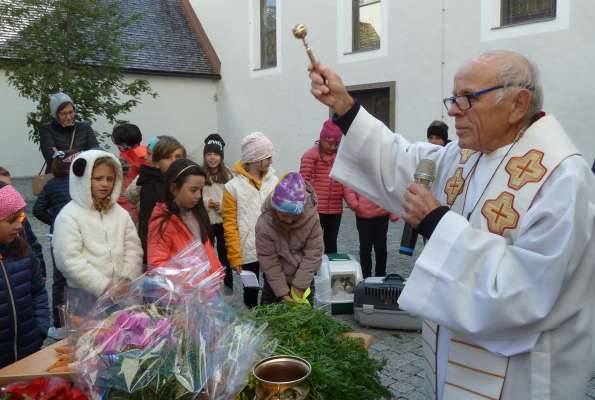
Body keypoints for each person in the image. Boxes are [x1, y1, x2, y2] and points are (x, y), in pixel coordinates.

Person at [308, 50, 595, 399]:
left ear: (518, 104)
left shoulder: (562, 179)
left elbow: (524, 292)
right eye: (453, 98)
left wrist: (436, 222)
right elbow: (401, 159)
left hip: (519, 376)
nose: (452, 110)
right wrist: (346, 106)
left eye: (467, 99)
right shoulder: (468, 153)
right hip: (448, 362)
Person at [53, 150, 143, 304]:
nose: (105, 184)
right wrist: (103, 286)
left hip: (123, 291)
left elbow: (133, 248)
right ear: (83, 178)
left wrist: (127, 278)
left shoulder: (120, 213)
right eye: (98, 178)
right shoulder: (69, 215)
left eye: (110, 179)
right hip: (86, 294)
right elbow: (68, 259)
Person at [222, 132, 278, 308]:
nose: (271, 161)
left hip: (272, 247)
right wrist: (235, 257)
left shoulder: (275, 182)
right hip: (248, 251)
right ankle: (252, 325)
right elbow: (229, 226)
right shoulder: (232, 188)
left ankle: (272, 322)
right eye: (267, 157)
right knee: (251, 292)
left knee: (273, 288)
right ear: (255, 158)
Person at [0, 182, 49, 368]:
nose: (20, 225)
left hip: (28, 349)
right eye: (12, 220)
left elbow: (38, 293)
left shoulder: (23, 251)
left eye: (20, 217)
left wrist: (41, 327)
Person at [256, 172, 323, 305]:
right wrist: (282, 293)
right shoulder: (265, 223)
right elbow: (269, 260)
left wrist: (299, 287)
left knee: (304, 322)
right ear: (276, 208)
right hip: (275, 283)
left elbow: (313, 254)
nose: (289, 220)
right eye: (285, 215)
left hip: (304, 281)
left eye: (294, 215)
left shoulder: (311, 219)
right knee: (271, 320)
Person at [147, 159, 220, 270]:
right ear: (174, 189)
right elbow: (157, 265)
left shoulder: (198, 213)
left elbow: (207, 249)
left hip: (207, 285)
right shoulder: (162, 223)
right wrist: (189, 278)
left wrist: (216, 271)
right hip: (183, 286)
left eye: (201, 190)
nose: (199, 195)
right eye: (193, 190)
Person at [32, 152, 75, 327]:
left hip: (58, 235)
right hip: (81, 233)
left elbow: (37, 210)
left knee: (59, 280)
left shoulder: (51, 185)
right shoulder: (81, 184)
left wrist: (55, 220)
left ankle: (59, 323)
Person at [137, 136, 186, 264]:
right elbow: (149, 230)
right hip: (164, 256)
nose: (174, 161)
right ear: (157, 162)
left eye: (178, 157)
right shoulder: (151, 188)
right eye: (168, 158)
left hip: (184, 250)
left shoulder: (182, 183)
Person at [300, 119, 345, 254]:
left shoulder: (340, 158)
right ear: (322, 138)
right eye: (330, 143)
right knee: (314, 241)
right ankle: (313, 270)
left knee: (331, 242)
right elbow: (302, 182)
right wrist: (308, 203)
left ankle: (330, 270)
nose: (332, 147)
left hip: (336, 208)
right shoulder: (310, 156)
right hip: (316, 209)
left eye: (336, 144)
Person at [0, 167, 48, 281]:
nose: (8, 192)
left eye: (10, 187)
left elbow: (33, 245)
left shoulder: (20, 220)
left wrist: (41, 272)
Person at [202, 133, 234, 289]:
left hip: (223, 221)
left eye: (215, 154)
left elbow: (233, 198)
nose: (212, 157)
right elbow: (195, 195)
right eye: (209, 154)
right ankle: (208, 287)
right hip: (206, 221)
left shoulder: (228, 174)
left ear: (221, 156)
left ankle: (228, 288)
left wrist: (221, 206)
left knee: (225, 257)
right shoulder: (199, 173)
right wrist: (207, 202)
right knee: (206, 254)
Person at [39, 92, 100, 173]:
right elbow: (52, 159)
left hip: (81, 176)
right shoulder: (47, 129)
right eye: (63, 113)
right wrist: (81, 154)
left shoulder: (85, 128)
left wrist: (62, 154)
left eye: (71, 112)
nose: (68, 117)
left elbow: (95, 153)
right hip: (58, 177)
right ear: (55, 114)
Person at [344, 188, 398, 278]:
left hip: (382, 214)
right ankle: (366, 276)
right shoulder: (358, 173)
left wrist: (393, 211)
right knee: (365, 248)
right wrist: (355, 204)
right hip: (364, 215)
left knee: (381, 248)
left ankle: (380, 275)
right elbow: (349, 187)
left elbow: (391, 188)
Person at [111, 123, 148, 219]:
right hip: (132, 196)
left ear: (122, 144)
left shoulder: (133, 156)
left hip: (129, 199)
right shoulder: (145, 152)